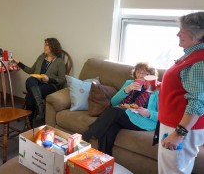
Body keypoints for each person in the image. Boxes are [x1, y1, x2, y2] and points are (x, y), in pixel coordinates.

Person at [158, 12, 204, 174]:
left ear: (199, 34)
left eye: (182, 30)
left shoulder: (199, 61)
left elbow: (198, 101)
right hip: (175, 124)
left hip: (180, 127)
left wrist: (179, 133)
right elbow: (184, 87)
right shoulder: (191, 55)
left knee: (173, 171)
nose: (178, 34)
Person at [82, 62, 159, 156]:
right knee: (109, 129)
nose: (141, 76)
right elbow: (114, 101)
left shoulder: (157, 90)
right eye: (139, 72)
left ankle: (87, 135)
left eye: (145, 73)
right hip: (125, 115)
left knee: (115, 110)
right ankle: (104, 159)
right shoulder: (129, 83)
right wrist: (127, 89)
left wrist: (149, 113)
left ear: (151, 76)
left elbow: (163, 115)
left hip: (142, 120)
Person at [13, 38, 66, 122]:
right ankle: (40, 110)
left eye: (46, 45)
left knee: (31, 94)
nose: (44, 47)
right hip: (37, 84)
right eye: (44, 45)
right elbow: (31, 70)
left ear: (53, 47)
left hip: (50, 86)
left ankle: (29, 122)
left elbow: (62, 79)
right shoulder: (41, 57)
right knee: (30, 80)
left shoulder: (60, 62)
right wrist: (19, 63)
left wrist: (49, 79)